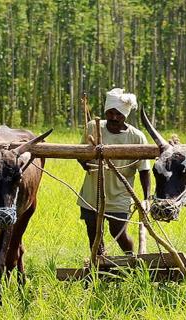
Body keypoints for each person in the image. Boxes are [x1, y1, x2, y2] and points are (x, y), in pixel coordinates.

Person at [77, 88, 151, 256]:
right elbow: (80, 154)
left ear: (125, 115)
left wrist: (147, 198)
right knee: (94, 233)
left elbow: (144, 170)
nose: (114, 118)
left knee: (118, 232)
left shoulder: (137, 137)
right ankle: (100, 264)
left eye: (119, 114)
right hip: (92, 193)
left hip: (120, 195)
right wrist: (85, 163)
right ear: (106, 112)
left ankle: (131, 261)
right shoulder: (93, 128)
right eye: (110, 113)